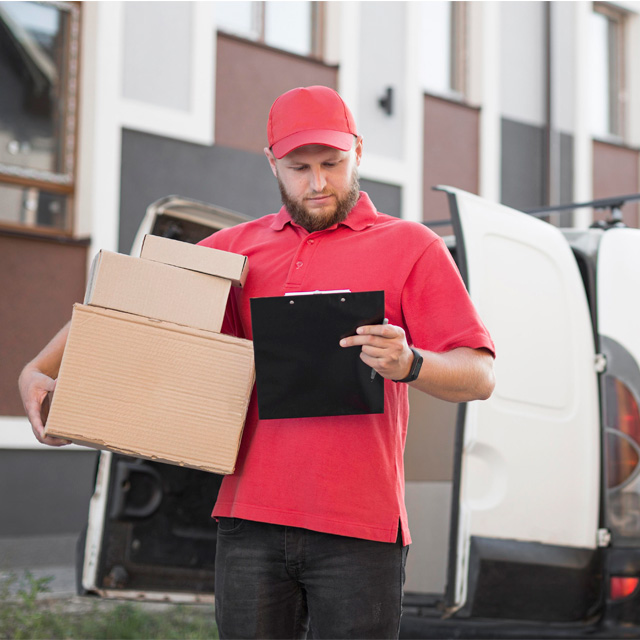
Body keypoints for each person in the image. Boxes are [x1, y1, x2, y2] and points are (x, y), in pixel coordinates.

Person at [19, 85, 495, 639]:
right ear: (273, 163)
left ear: (358, 152)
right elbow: (123, 313)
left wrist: (412, 363)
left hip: (359, 529)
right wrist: (38, 369)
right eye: (299, 167)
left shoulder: (412, 246)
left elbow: (479, 375)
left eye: (333, 163)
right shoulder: (231, 250)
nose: (318, 182)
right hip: (249, 522)